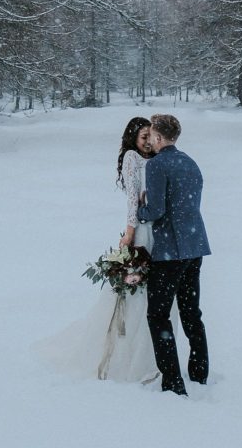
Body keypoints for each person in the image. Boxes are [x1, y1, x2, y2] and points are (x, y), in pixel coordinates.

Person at [40, 116, 167, 383]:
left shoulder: (155, 159)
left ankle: (151, 352)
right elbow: (133, 197)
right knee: (139, 291)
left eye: (150, 136)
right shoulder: (132, 157)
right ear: (132, 137)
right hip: (142, 229)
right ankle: (129, 353)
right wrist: (131, 231)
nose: (147, 141)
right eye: (143, 136)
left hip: (157, 228)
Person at [137, 113, 210, 396]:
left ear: (157, 137)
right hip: (195, 247)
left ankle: (172, 382)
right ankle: (199, 372)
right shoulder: (190, 162)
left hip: (170, 251)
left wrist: (141, 209)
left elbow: (155, 211)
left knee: (158, 315)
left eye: (151, 136)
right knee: (191, 312)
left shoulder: (157, 165)